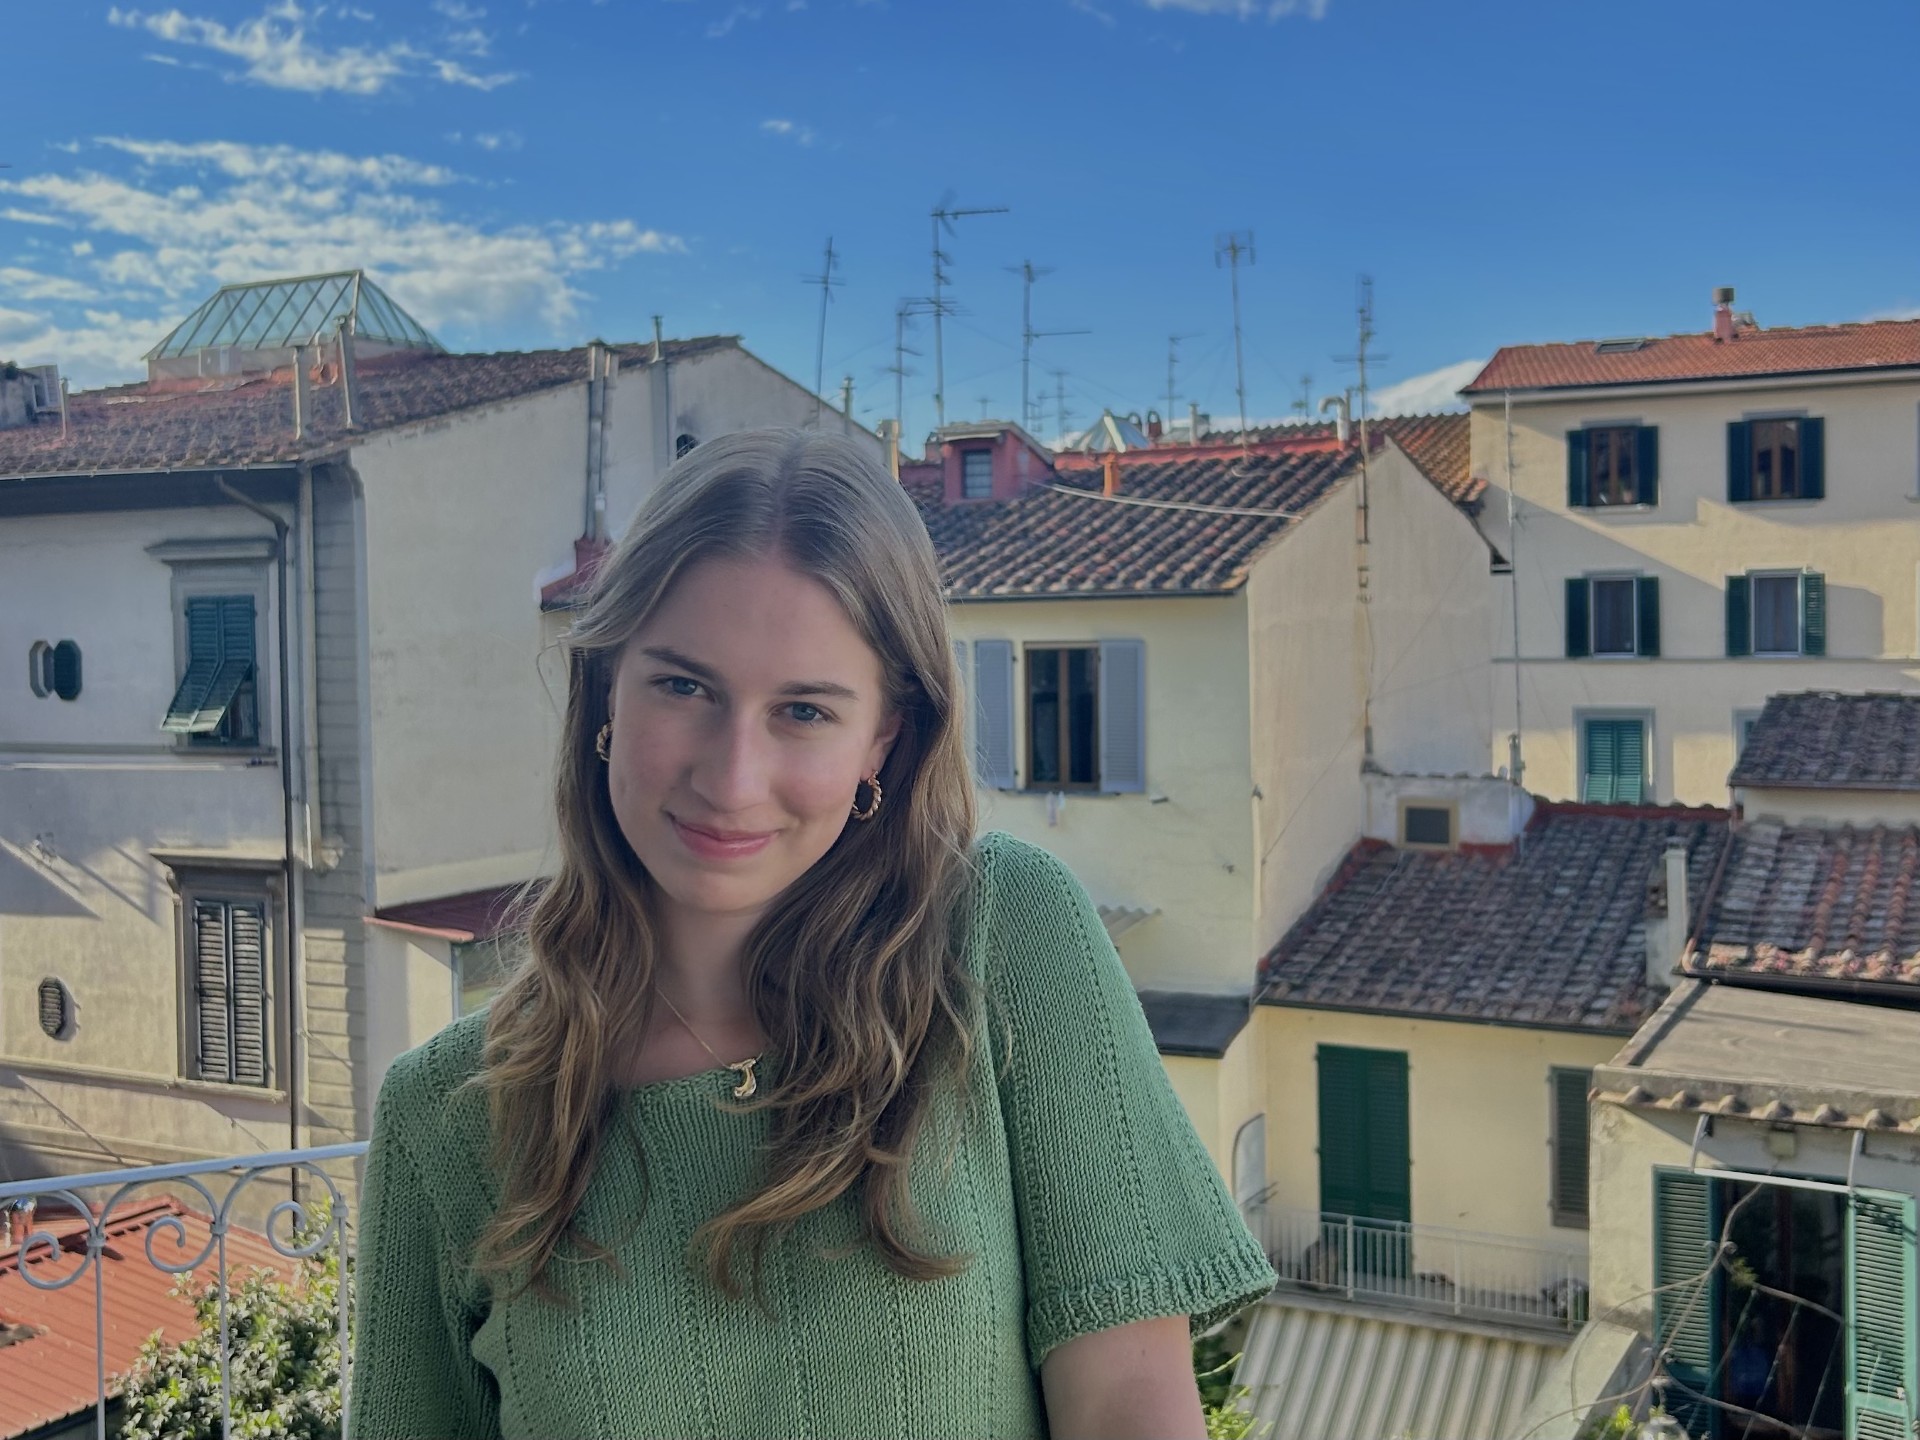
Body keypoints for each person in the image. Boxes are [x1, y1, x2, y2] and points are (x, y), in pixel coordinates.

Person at [347, 429, 1275, 1439]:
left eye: (803, 710)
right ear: (607, 688)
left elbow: (1128, 1406)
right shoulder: (446, 1117)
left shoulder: (1006, 937)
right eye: (685, 687)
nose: (731, 778)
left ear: (886, 737)